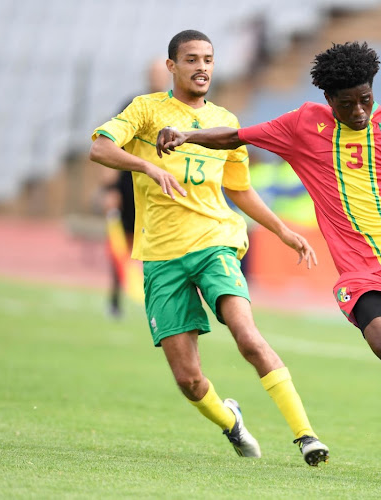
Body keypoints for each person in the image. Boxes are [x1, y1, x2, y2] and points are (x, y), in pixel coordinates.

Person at [156, 41, 381, 491]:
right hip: (364, 273)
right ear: (329, 101)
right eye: (347, 103)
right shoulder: (303, 125)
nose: (359, 111)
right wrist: (187, 135)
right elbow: (237, 137)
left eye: (365, 99)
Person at [88, 30, 329, 466]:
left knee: (248, 336)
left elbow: (240, 190)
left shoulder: (224, 123)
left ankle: (306, 435)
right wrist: (145, 164)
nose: (202, 68)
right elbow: (100, 148)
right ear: (172, 67)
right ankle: (231, 421)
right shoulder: (145, 110)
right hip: (161, 257)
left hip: (215, 242)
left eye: (209, 60)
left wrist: (281, 230)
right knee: (189, 380)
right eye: (192, 59)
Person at [103, 58, 171, 317]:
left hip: (158, 189)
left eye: (160, 73)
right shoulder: (134, 106)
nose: (157, 78)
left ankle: (157, 303)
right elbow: (109, 145)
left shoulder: (177, 110)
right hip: (128, 185)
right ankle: (115, 298)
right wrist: (109, 189)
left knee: (158, 247)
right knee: (122, 244)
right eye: (153, 73)